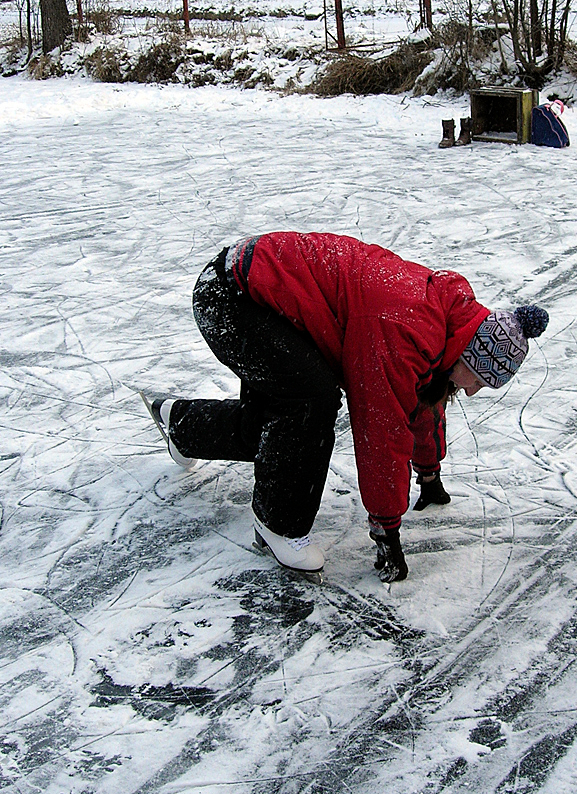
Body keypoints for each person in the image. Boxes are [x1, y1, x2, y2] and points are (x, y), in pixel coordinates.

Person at [144, 232, 548, 581]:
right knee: (310, 402)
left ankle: (181, 424)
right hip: (235, 298)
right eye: (479, 380)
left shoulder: (446, 325)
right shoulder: (405, 328)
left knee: (275, 431)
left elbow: (423, 401)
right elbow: (382, 430)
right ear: (468, 356)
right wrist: (386, 529)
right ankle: (278, 524)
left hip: (259, 293)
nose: (475, 392)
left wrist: (429, 472)